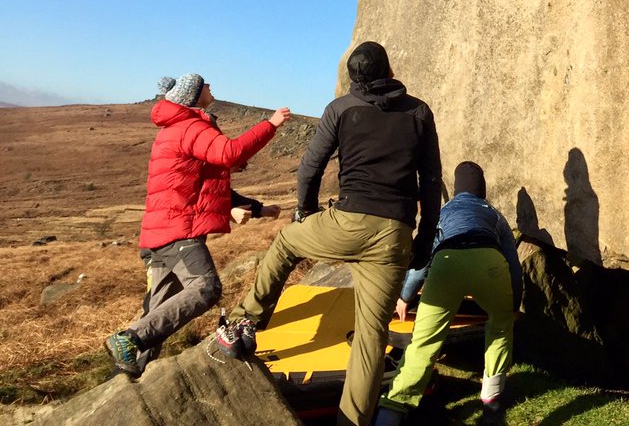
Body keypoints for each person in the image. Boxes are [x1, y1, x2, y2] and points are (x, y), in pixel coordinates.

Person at [218, 41, 442, 426]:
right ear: (388, 71)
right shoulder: (419, 111)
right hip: (394, 233)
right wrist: (422, 241)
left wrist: (305, 212)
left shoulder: (340, 109)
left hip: (347, 222)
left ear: (354, 79)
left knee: (288, 241)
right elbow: (432, 181)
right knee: (372, 338)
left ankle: (245, 321)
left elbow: (310, 168)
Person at [104, 73, 290, 377]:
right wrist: (270, 124)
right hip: (178, 233)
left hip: (158, 237)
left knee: (158, 318)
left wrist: (259, 209)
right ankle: (128, 338)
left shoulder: (175, 128)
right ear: (194, 93)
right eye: (206, 85)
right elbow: (229, 152)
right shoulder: (189, 126)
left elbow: (211, 189)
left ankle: (127, 377)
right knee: (206, 287)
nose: (211, 88)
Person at [374, 161, 522, 425]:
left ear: (457, 188)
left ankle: (392, 410)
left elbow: (422, 260)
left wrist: (405, 296)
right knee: (500, 327)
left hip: (446, 262)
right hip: (489, 263)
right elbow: (512, 263)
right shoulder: (495, 215)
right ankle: (492, 402)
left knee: (424, 342)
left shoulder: (443, 212)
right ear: (482, 187)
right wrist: (514, 303)